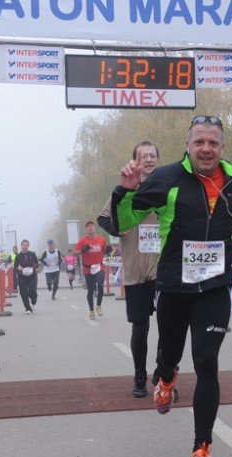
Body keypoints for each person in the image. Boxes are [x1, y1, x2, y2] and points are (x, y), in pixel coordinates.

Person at [111, 115, 232, 457]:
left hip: (214, 286)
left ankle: (201, 453)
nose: (206, 149)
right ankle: (164, 379)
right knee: (169, 355)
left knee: (207, 361)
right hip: (174, 288)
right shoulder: (166, 179)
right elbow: (123, 221)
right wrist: (124, 191)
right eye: (199, 142)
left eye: (213, 143)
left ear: (222, 147)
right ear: (188, 145)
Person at [99, 141, 162, 398]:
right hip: (135, 267)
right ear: (135, 161)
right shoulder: (127, 190)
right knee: (140, 327)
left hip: (163, 267)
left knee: (171, 325)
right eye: (143, 156)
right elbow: (104, 217)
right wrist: (116, 229)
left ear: (158, 159)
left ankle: (164, 375)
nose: (148, 159)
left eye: (152, 155)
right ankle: (139, 376)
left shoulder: (168, 186)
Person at [73, 221, 107, 320]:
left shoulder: (101, 240)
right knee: (90, 290)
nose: (90, 228)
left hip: (99, 267)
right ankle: (91, 311)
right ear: (86, 230)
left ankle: (98, 306)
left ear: (95, 228)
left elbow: (104, 251)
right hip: (88, 268)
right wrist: (82, 250)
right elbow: (74, 253)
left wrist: (108, 252)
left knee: (100, 285)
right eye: (88, 227)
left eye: (92, 226)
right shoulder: (83, 241)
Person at [13, 239, 39, 315]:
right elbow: (15, 267)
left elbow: (37, 263)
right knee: (23, 293)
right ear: (21, 246)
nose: (25, 246)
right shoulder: (18, 256)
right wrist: (18, 268)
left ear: (28, 246)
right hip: (22, 277)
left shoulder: (32, 254)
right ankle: (28, 308)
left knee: (32, 291)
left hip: (32, 276)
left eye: (26, 245)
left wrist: (37, 268)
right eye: (24, 245)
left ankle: (33, 302)